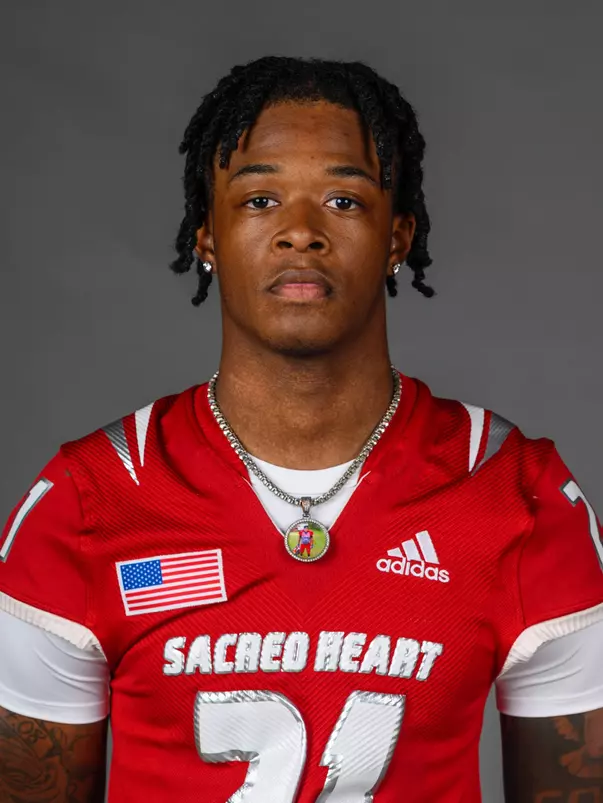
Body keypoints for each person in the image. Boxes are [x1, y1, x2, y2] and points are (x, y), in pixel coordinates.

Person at [0, 55, 602, 803]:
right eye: (258, 199)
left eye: (344, 200)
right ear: (206, 237)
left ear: (397, 236)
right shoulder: (86, 499)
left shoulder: (517, 492)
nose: (300, 233)